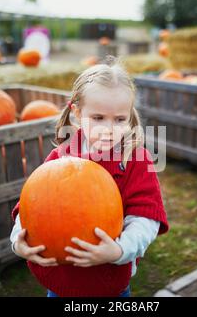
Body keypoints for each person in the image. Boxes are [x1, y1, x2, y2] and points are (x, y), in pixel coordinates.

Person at [9, 58, 169, 297]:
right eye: (98, 118)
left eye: (119, 119)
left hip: (109, 281)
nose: (109, 128)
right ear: (77, 113)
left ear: (129, 116)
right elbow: (31, 208)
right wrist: (17, 242)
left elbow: (146, 218)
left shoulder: (136, 160)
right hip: (60, 280)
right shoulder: (59, 158)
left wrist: (119, 250)